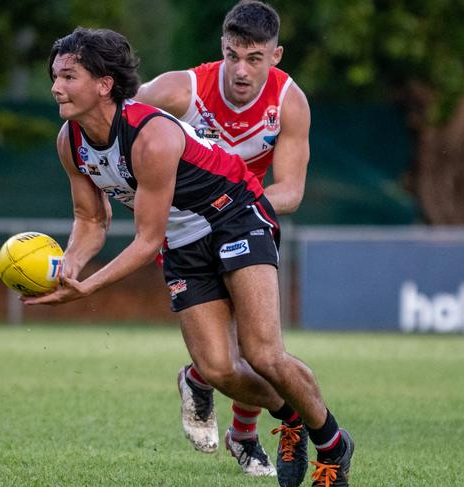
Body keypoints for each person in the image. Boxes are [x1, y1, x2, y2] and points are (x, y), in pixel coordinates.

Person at [29, 26, 354, 487]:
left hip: (236, 215)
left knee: (263, 353)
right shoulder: (71, 140)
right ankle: (292, 417)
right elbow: (90, 220)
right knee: (219, 369)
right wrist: (69, 267)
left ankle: (333, 447)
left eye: (68, 76)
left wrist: (89, 287)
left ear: (104, 83)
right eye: (55, 76)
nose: (56, 87)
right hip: (184, 242)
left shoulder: (151, 136)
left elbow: (145, 240)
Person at [135, 1, 310, 483]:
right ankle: (204, 383)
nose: (240, 69)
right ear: (221, 50)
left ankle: (245, 435)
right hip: (186, 227)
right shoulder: (179, 90)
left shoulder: (289, 102)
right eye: (233, 55)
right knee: (225, 358)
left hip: (247, 218)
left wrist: (234, 214)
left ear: (275, 56)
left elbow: (291, 191)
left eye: (254, 58)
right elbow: (121, 126)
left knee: (259, 345)